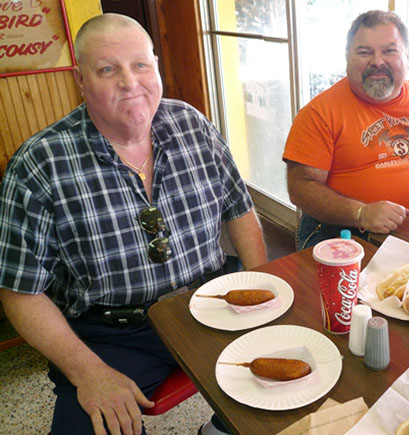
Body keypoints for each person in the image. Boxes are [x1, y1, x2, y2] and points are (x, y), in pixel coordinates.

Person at [0, 13, 266, 435]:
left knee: (299, 381)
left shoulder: (192, 125)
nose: (130, 82)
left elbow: (239, 209)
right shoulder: (40, 164)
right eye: (108, 69)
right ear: (81, 79)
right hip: (114, 337)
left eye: (140, 65)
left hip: (214, 305)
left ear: (156, 66)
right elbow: (19, 291)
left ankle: (221, 428)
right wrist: (88, 372)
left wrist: (259, 290)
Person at [283, 10, 409, 249]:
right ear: (347, 57)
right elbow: (301, 187)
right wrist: (361, 213)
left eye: (389, 51)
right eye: (364, 52)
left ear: (407, 57)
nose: (377, 61)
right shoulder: (319, 113)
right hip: (346, 235)